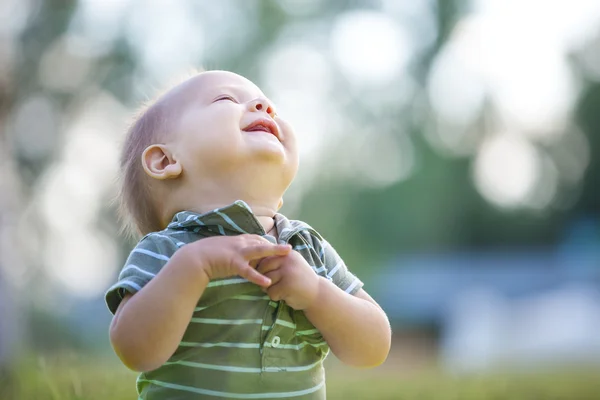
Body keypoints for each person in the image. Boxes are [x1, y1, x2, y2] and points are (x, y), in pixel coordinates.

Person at [105, 70, 391, 399]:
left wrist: (316, 293)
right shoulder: (168, 250)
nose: (263, 106)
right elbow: (134, 350)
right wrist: (194, 266)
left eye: (269, 106)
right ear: (165, 160)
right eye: (226, 99)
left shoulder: (306, 248)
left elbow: (374, 347)